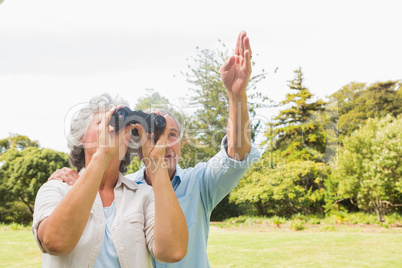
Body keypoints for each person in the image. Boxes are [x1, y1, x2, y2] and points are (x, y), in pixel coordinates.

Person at [48, 31, 261, 267]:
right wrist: (73, 176)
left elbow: (237, 155)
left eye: (172, 135)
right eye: (156, 136)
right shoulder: (126, 190)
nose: (166, 144)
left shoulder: (199, 183)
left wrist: (236, 95)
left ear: (181, 143)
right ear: (136, 145)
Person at [32, 93, 188, 267]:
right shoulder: (57, 188)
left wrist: (156, 162)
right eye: (102, 123)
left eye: (122, 126)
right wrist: (102, 155)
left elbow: (173, 252)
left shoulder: (143, 196)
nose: (113, 130)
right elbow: (55, 243)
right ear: (82, 138)